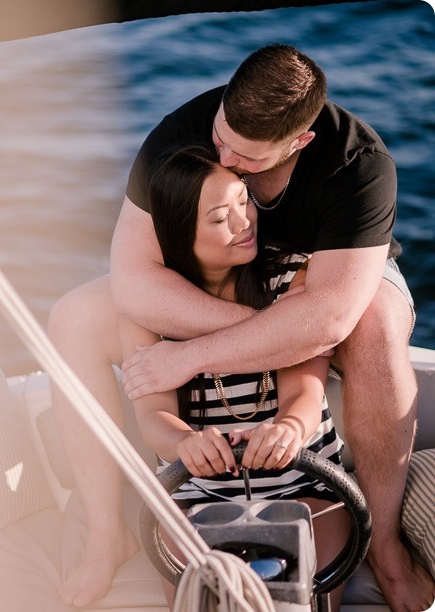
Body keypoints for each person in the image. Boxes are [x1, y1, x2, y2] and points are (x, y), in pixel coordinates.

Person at [52, 43, 435, 612]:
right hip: (230, 281)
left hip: (327, 278)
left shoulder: (358, 163)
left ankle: (382, 546)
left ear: (299, 143)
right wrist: (277, 332)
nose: (224, 157)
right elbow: (132, 285)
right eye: (222, 136)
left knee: (374, 322)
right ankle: (108, 535)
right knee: (73, 318)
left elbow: (328, 317)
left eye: (246, 158)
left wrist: (193, 356)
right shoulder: (181, 134)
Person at [134, 143, 350, 610]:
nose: (244, 221)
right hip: (195, 491)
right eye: (218, 218)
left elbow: (306, 391)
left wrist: (290, 429)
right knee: (203, 596)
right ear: (177, 233)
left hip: (303, 482)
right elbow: (152, 415)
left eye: (244, 200)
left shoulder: (293, 279)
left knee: (299, 597)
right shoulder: (146, 308)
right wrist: (183, 445)